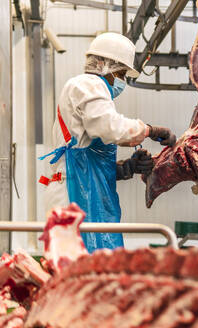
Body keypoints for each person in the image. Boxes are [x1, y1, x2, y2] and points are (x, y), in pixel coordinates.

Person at [40, 32, 176, 253]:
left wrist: (124, 169)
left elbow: (90, 155)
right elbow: (109, 127)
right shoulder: (87, 83)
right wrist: (150, 130)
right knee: (75, 271)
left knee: (97, 272)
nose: (122, 81)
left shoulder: (93, 94)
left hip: (88, 190)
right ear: (102, 65)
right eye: (120, 73)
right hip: (73, 193)